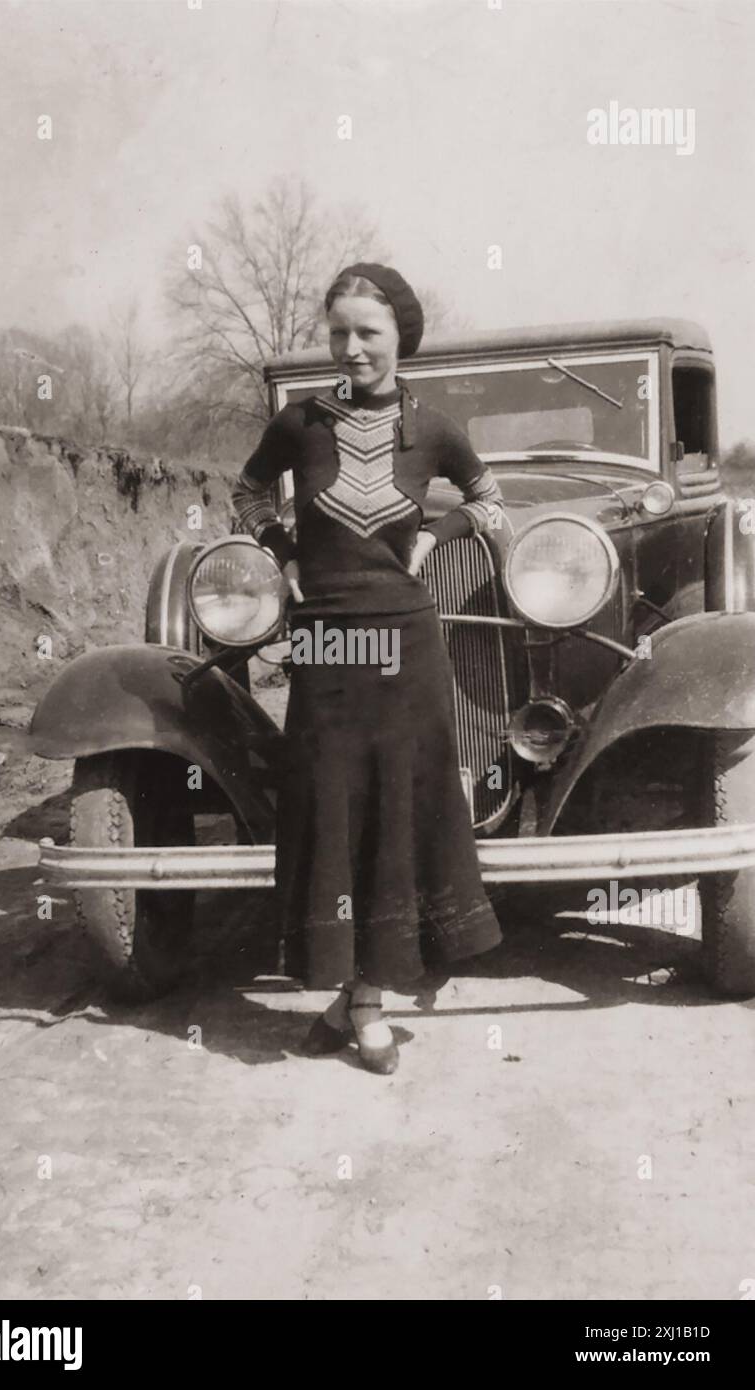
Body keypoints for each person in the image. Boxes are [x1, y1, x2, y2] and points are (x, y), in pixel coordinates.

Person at [232, 262, 504, 1074]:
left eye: (368, 334)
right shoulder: (297, 422)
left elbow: (491, 502)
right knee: (327, 799)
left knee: (392, 806)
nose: (351, 349)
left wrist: (433, 537)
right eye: (339, 333)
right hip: (322, 640)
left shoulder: (437, 428)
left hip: (403, 639)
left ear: (398, 340)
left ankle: (366, 1000)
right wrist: (280, 553)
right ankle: (350, 991)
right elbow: (246, 493)